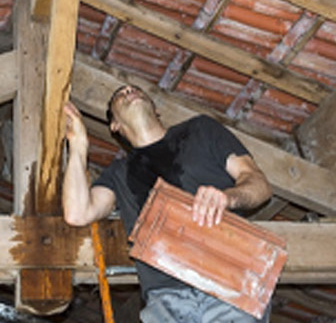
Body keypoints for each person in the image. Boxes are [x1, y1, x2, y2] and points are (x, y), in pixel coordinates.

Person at [62, 84, 273, 323]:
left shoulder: (201, 130)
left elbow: (259, 184)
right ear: (115, 126)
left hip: (232, 281)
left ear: (156, 109)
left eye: (135, 89)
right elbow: (77, 213)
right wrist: (78, 146)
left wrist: (228, 197)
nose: (129, 90)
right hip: (166, 300)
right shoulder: (119, 174)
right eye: (120, 94)